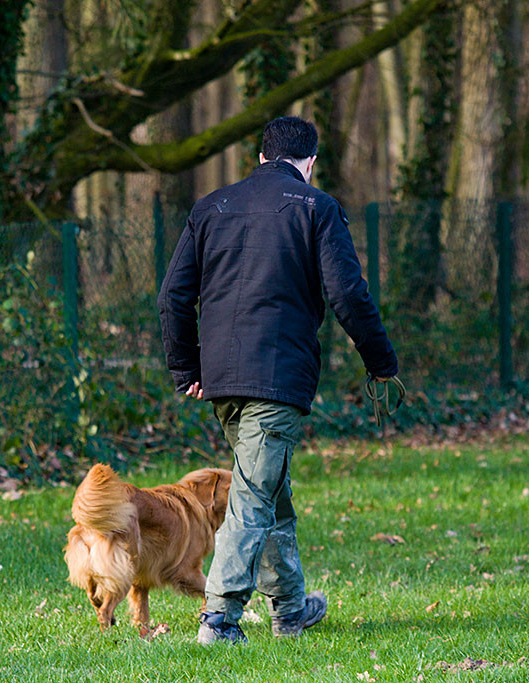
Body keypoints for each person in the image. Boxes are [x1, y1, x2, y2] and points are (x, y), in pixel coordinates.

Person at [158, 115, 399, 644]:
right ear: (309, 163)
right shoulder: (317, 208)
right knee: (253, 497)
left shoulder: (211, 207)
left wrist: (187, 369)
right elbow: (349, 295)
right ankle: (219, 619)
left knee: (267, 490)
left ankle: (291, 609)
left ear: (262, 157)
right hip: (278, 375)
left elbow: (173, 297)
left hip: (221, 380)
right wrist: (381, 362)